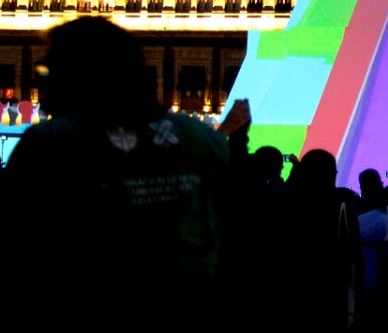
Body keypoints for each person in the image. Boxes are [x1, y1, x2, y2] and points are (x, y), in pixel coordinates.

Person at [0, 18, 230, 332]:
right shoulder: (204, 140)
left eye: (48, 71)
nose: (41, 83)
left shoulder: (53, 144)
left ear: (85, 73)